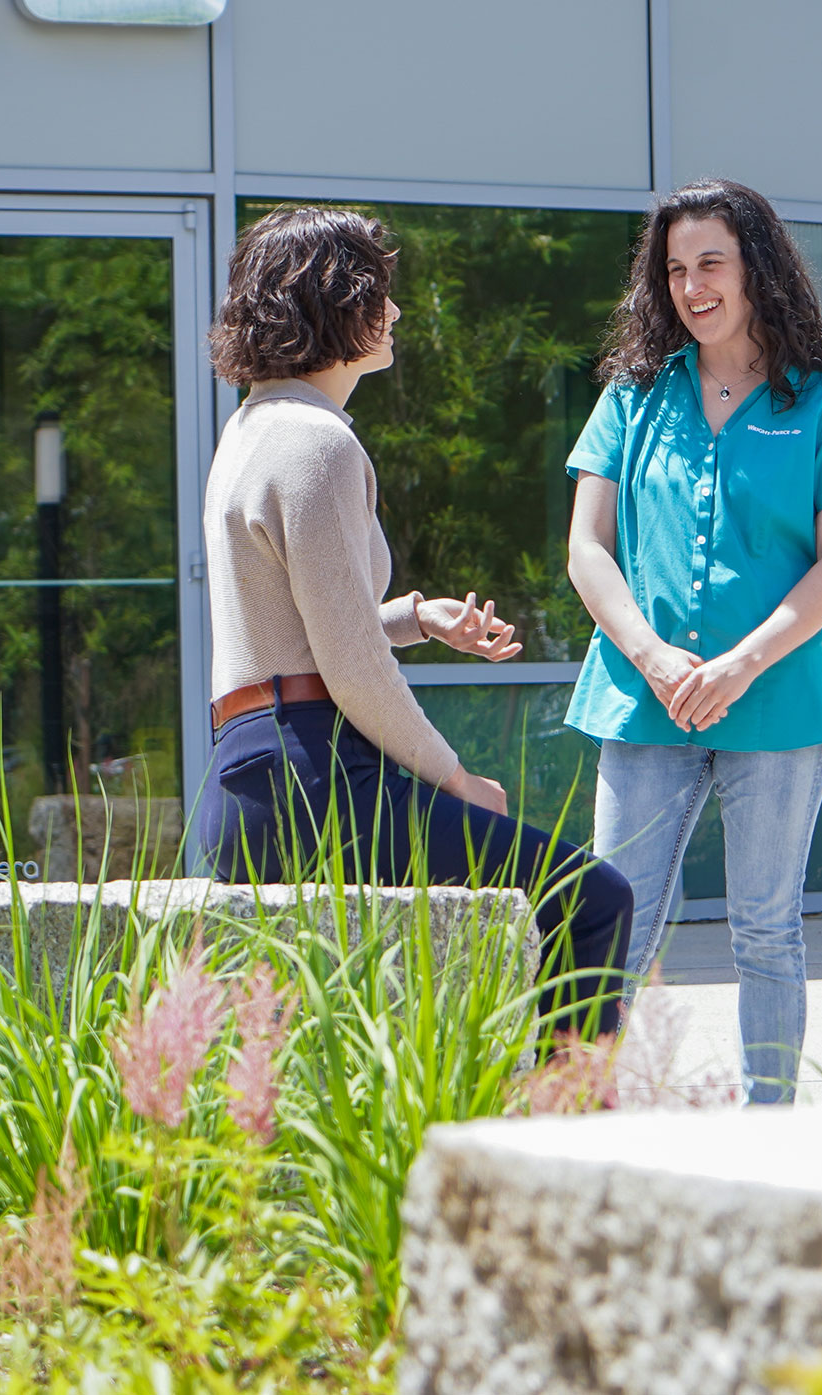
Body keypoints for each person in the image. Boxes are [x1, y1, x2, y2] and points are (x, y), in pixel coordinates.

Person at [197, 204, 632, 1032]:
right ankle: (564, 1140)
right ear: (334, 304)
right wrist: (455, 777)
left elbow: (303, 626)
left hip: (254, 773)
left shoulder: (252, 429)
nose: (394, 312)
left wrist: (413, 616)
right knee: (594, 899)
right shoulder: (316, 445)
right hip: (315, 777)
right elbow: (351, 667)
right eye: (379, 293)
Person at [564, 179, 822, 1101]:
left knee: (765, 929)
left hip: (780, 704)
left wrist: (739, 664)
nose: (692, 284)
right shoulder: (633, 396)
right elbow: (587, 550)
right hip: (644, 701)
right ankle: (575, 1123)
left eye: (711, 261)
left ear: (757, 267)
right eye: (674, 268)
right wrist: (658, 658)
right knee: (611, 922)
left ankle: (770, 1130)